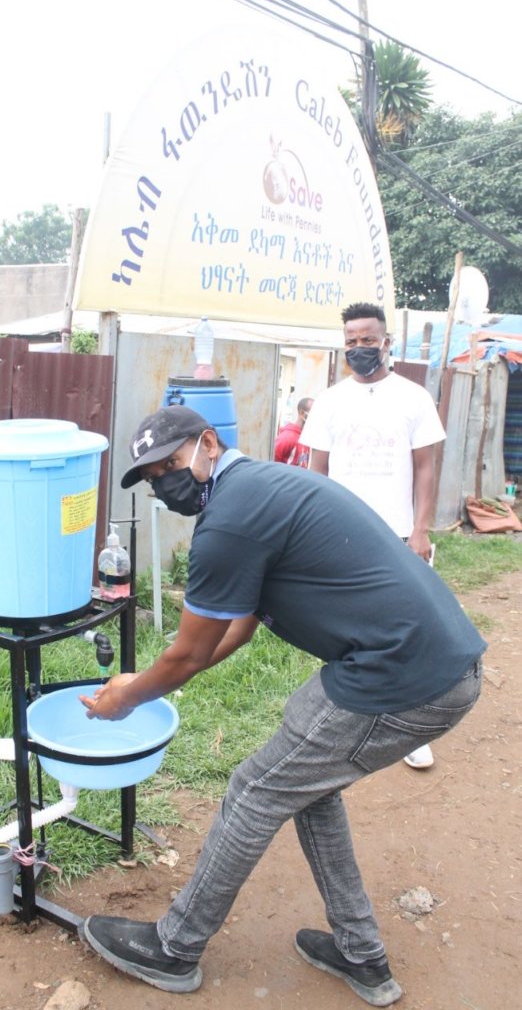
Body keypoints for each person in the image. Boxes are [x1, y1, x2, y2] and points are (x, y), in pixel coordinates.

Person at [78, 403, 485, 1005]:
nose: (163, 485)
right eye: (151, 477)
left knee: (256, 789)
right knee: (307, 786)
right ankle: (361, 954)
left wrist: (127, 698)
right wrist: (150, 681)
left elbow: (190, 655)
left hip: (399, 676)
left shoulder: (231, 521)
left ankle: (175, 948)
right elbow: (233, 629)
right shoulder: (254, 493)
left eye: (167, 467)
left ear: (207, 444)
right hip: (431, 664)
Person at [300, 302, 447, 771]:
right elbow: (315, 473)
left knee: (409, 632)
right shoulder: (329, 401)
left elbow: (427, 469)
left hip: (400, 535)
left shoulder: (413, 398)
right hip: (341, 537)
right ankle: (352, 725)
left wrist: (421, 530)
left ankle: (412, 732)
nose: (359, 348)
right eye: (351, 341)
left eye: (368, 340)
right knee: (347, 635)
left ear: (387, 343)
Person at [274, 396, 313, 466]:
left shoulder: (308, 438)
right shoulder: (286, 438)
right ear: (301, 413)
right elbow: (272, 465)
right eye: (314, 413)